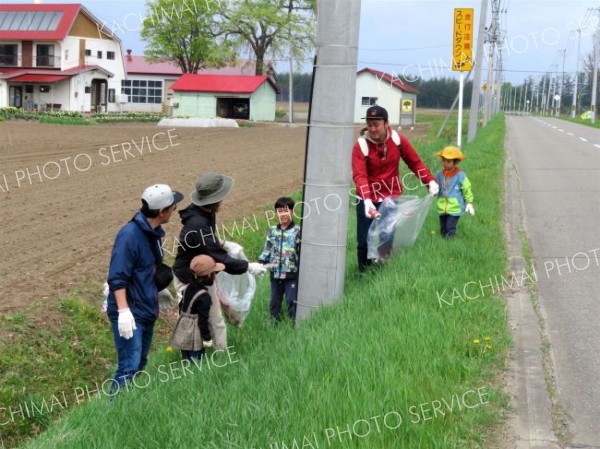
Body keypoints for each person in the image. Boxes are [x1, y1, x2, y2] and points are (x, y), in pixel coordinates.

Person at [173, 172, 267, 349]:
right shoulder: (197, 222)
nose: (223, 200)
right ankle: (196, 359)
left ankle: (219, 356)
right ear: (214, 199)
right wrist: (247, 267)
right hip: (188, 278)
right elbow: (217, 255)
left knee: (215, 319)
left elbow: (209, 241)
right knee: (193, 321)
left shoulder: (206, 212)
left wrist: (223, 243)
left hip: (205, 273)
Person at [106, 183, 183, 393]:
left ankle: (129, 407)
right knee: (128, 367)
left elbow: (147, 269)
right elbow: (117, 277)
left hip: (146, 308)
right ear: (162, 211)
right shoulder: (130, 236)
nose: (174, 212)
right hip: (131, 312)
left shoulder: (153, 233)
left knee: (139, 364)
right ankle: (114, 412)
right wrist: (123, 312)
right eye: (173, 208)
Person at [351, 105, 439, 271]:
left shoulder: (398, 141)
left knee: (387, 235)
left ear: (386, 123)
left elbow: (415, 162)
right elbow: (359, 175)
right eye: (369, 125)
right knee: (363, 239)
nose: (372, 129)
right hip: (367, 199)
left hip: (391, 197)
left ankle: (382, 268)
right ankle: (363, 273)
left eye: (376, 124)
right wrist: (367, 199)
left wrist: (430, 181)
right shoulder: (361, 145)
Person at [258, 197, 301, 322]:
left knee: (291, 300)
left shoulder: (297, 230)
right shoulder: (272, 231)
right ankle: (274, 325)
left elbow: (302, 252)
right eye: (279, 211)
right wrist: (260, 263)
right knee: (274, 303)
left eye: (286, 211)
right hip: (275, 274)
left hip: (291, 274)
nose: (283, 214)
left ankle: (295, 325)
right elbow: (267, 249)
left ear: (292, 212)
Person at [178, 254, 225, 361]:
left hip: (183, 330)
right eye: (214, 272)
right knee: (196, 362)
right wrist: (207, 338)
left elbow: (181, 306)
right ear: (208, 276)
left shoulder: (188, 288)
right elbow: (203, 320)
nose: (215, 274)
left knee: (186, 359)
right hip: (195, 335)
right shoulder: (204, 297)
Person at [435, 146, 474, 238]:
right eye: (443, 160)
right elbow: (436, 187)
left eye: (448, 161)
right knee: (443, 228)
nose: (445, 163)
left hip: (455, 208)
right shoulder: (439, 175)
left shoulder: (460, 175)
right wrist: (432, 190)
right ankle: (443, 244)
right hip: (442, 207)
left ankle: (450, 244)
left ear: (455, 162)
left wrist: (469, 202)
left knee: (450, 227)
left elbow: (467, 188)